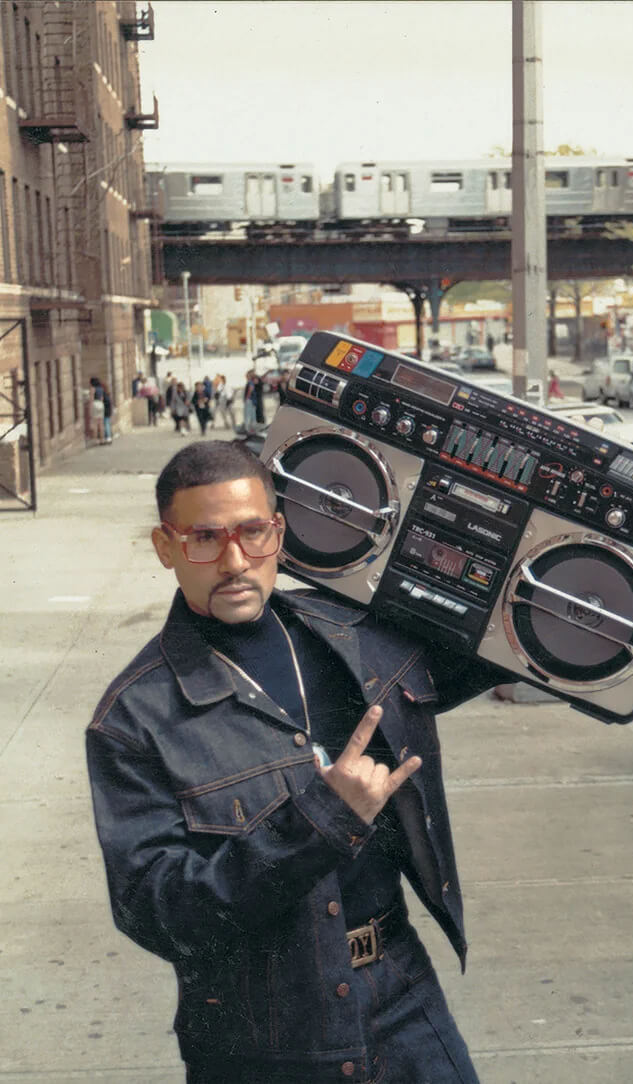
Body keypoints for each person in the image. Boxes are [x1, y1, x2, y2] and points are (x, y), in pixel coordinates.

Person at [86, 440, 501, 1084]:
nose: (233, 562)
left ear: (279, 531)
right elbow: (159, 913)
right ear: (165, 547)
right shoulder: (135, 717)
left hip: (401, 997)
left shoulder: (355, 636)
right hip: (259, 1036)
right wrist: (320, 822)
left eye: (253, 532)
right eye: (203, 539)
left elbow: (505, 634)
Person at [89, 377, 105, 444]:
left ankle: (95, 440)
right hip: (101, 404)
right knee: (101, 424)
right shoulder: (101, 389)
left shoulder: (93, 388)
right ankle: (102, 439)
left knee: (95, 423)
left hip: (95, 404)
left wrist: (90, 408)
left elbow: (91, 399)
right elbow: (102, 398)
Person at [242, 368, 258, 435]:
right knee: (252, 415)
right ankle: (252, 429)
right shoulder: (251, 382)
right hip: (253, 401)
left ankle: (248, 429)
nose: (246, 376)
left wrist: (247, 398)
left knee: (248, 415)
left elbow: (251, 389)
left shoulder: (250, 382)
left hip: (249, 400)